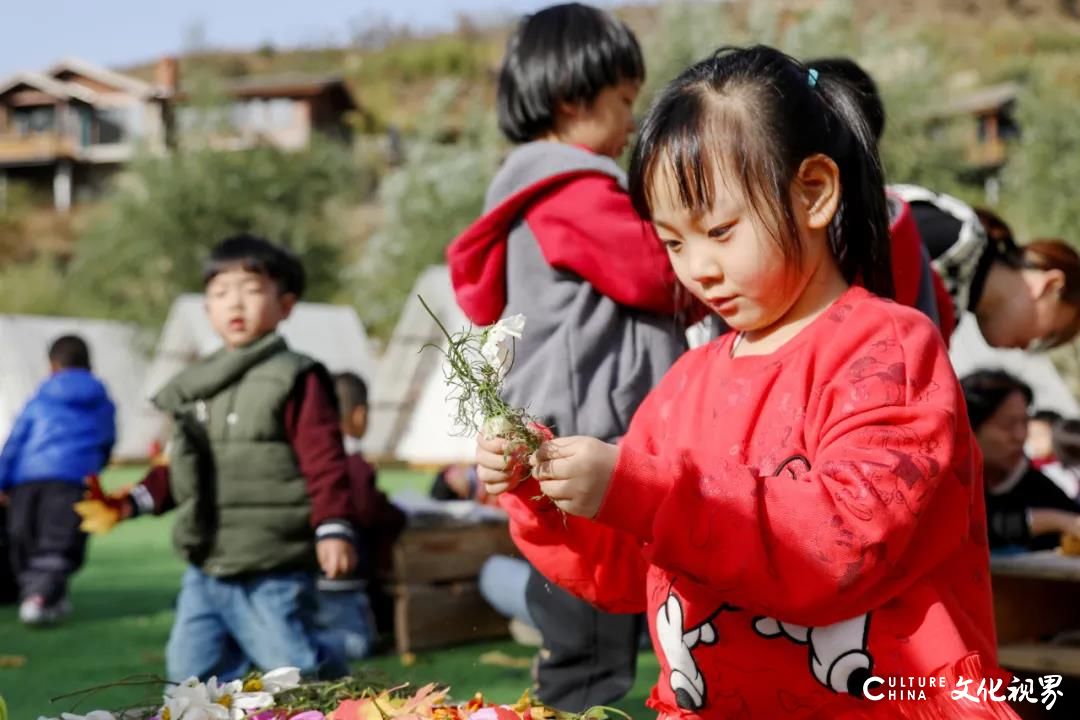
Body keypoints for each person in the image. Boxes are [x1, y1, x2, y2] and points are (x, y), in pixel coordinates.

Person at [476, 46, 1013, 718]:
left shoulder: (888, 351)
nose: (696, 268)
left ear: (814, 192)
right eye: (673, 243)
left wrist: (643, 492)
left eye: (720, 230)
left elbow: (845, 542)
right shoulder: (685, 384)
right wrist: (546, 489)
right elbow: (620, 569)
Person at [447, 3, 702, 710]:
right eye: (624, 102)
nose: (631, 123)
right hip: (589, 440)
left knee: (582, 633)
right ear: (570, 99)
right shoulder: (573, 191)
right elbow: (656, 272)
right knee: (591, 654)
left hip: (563, 442)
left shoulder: (535, 190)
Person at [76, 235, 356, 681]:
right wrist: (129, 503)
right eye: (221, 293)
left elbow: (325, 463)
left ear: (286, 305)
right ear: (207, 310)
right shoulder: (197, 384)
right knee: (190, 673)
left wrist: (333, 528)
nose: (235, 303)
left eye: (250, 288)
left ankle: (338, 678)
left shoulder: (297, 377)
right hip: (207, 563)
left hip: (273, 564)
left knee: (293, 669)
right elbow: (182, 466)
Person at [810, 56, 1080, 351]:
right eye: (1049, 335)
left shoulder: (954, 287)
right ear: (1051, 285)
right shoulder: (958, 237)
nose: (1030, 347)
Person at [0, 335, 115, 625]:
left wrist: (2, 480)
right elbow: (106, 440)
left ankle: (37, 598)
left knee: (25, 539)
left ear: (52, 365)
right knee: (59, 543)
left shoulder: (39, 399)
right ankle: (45, 596)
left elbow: (16, 441)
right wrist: (93, 469)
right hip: (73, 481)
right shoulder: (101, 401)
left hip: (28, 479)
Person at [315, 372, 406, 660]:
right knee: (356, 645)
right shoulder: (351, 464)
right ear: (359, 414)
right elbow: (367, 511)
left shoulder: (311, 460)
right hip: (339, 581)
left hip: (304, 577)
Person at [962, 369, 1080, 551]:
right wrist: (1051, 520)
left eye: (1025, 423)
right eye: (1007, 425)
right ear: (970, 428)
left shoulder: (1034, 484)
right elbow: (972, 528)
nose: (1020, 436)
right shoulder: (946, 484)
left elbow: (1073, 518)